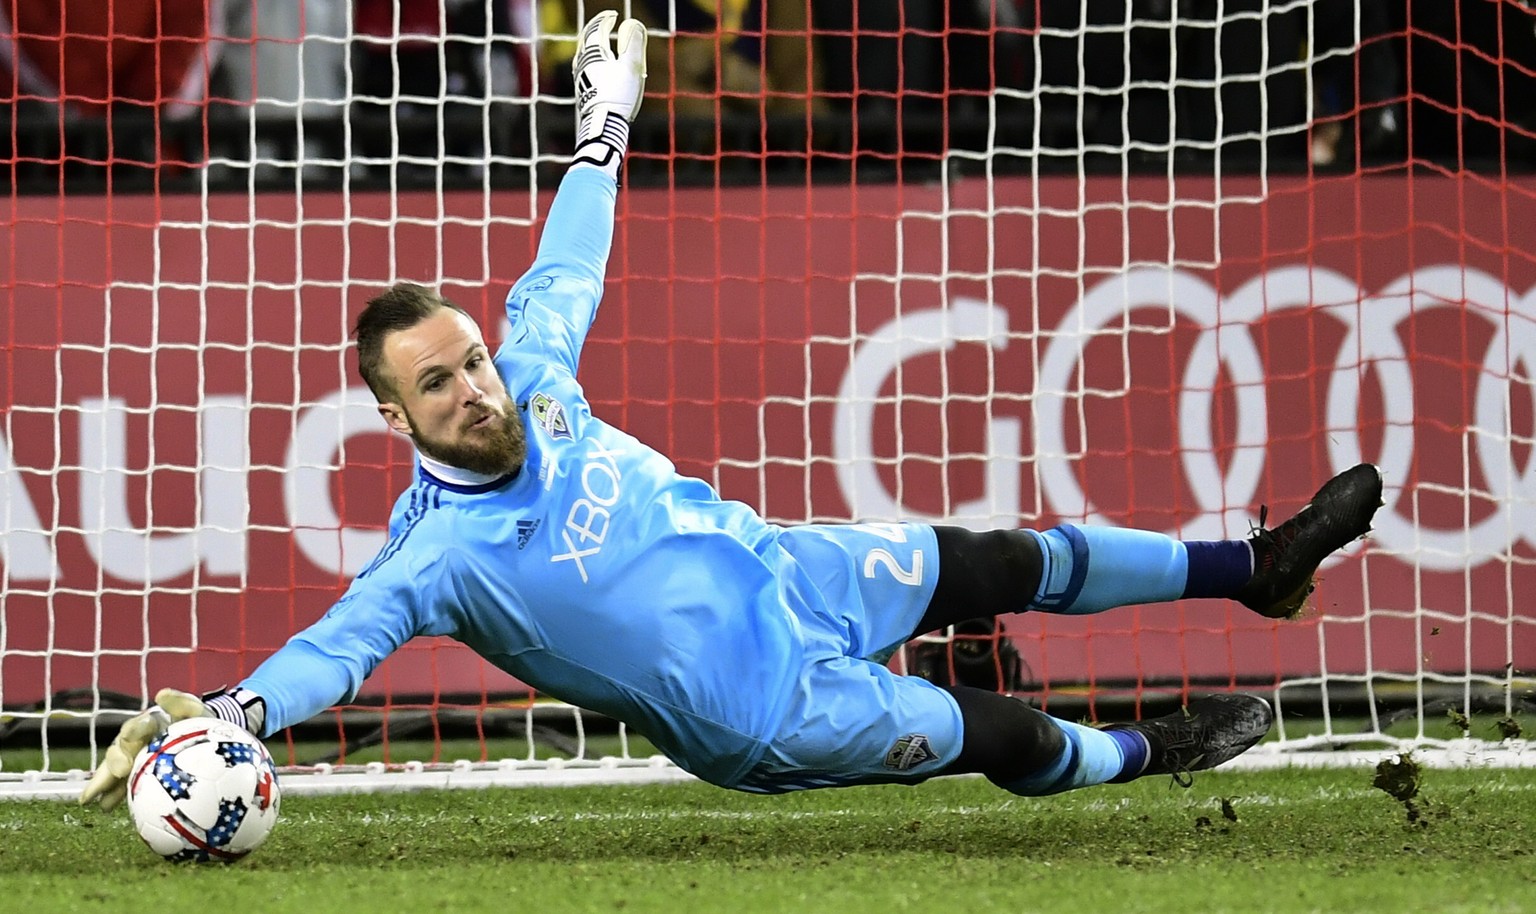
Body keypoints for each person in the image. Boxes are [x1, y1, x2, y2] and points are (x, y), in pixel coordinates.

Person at [79, 11, 1384, 814]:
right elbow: (335, 646)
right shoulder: (438, 560)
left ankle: (1256, 568)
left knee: (994, 557)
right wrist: (234, 714)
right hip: (763, 710)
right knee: (993, 734)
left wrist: (606, 122)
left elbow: (568, 259)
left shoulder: (532, 373)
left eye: (469, 357)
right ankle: (1154, 754)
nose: (476, 388)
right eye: (439, 384)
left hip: (786, 570)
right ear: (392, 419)